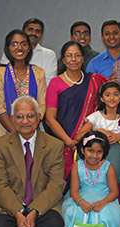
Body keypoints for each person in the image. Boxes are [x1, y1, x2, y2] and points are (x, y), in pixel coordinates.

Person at [0, 96, 66, 227]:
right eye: (19, 117)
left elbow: (56, 184)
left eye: (30, 116)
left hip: (44, 205)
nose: (25, 121)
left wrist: (33, 211)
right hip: (9, 206)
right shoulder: (0, 145)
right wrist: (18, 213)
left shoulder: (54, 145)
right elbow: (0, 185)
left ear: (38, 118)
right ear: (12, 119)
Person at [45, 40, 107, 179]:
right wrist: (69, 141)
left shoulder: (94, 81)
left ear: (83, 58)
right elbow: (49, 118)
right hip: (62, 143)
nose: (74, 59)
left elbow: (111, 99)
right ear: (64, 60)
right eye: (69, 56)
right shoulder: (55, 83)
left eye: (77, 55)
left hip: (89, 142)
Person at [62, 131, 120, 227]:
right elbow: (74, 192)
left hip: (105, 199)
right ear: (82, 150)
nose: (94, 155)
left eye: (99, 152)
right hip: (81, 198)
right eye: (90, 151)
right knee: (75, 213)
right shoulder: (77, 167)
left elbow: (114, 192)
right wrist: (81, 202)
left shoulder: (108, 166)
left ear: (104, 152)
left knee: (105, 216)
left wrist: (102, 203)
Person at [75, 81, 120, 185]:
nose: (112, 98)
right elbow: (78, 137)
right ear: (102, 99)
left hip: (118, 162)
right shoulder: (95, 117)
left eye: (115, 94)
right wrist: (97, 132)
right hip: (96, 161)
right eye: (107, 95)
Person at [0, 29, 46, 139]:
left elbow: (41, 104)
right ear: (8, 48)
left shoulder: (39, 73)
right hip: (5, 133)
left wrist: (29, 129)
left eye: (24, 44)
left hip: (35, 133)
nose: (19, 48)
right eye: (14, 44)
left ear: (29, 47)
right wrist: (17, 134)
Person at [0, 18, 57, 84]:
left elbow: (49, 82)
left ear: (41, 36)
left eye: (37, 31)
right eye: (30, 30)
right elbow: (4, 77)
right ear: (23, 32)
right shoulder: (12, 52)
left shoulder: (49, 55)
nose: (33, 33)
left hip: (40, 93)